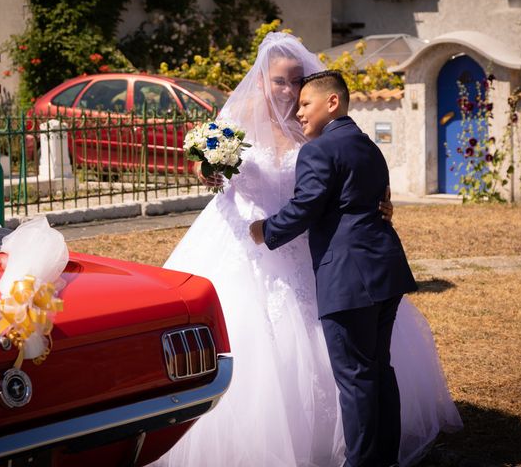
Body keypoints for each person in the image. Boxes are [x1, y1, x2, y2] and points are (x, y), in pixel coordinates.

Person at [151, 33, 461, 467]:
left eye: (297, 81)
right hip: (250, 243)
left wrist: (379, 200)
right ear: (261, 82)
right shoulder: (237, 123)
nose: (290, 91)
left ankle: (364, 451)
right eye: (280, 81)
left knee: (355, 361)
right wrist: (211, 171)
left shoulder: (314, 125)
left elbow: (352, 172)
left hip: (315, 247)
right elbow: (219, 173)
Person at [250, 70, 415, 466]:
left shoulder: (318, 150)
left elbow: (306, 206)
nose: (299, 112)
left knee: (356, 378)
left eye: (306, 104)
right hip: (385, 270)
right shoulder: (368, 145)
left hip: (348, 277)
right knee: (379, 369)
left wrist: (265, 230)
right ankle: (386, 459)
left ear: (333, 103)